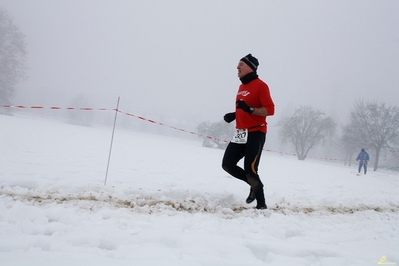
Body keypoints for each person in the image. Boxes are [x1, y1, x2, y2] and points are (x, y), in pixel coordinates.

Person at [222, 54, 275, 210]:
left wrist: (250, 109)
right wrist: (235, 114)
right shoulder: (241, 87)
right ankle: (254, 184)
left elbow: (270, 110)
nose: (237, 67)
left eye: (241, 65)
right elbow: (244, 108)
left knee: (250, 170)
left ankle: (261, 205)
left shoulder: (261, 86)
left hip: (256, 133)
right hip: (241, 134)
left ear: (250, 67)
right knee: (227, 164)